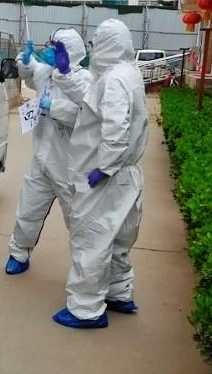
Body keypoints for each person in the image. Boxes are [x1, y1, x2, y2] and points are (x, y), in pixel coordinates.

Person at [51, 19, 148, 328]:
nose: (92, 49)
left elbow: (116, 127)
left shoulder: (114, 79)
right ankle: (119, 293)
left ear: (107, 44)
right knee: (118, 240)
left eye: (95, 43)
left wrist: (104, 167)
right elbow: (92, 99)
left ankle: (85, 308)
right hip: (126, 175)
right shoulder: (127, 73)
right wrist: (66, 74)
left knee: (90, 241)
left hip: (105, 176)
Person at [5, 28, 91, 275]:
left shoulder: (84, 80)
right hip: (41, 159)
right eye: (50, 44)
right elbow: (30, 73)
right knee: (28, 210)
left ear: (70, 52)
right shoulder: (46, 72)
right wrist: (24, 59)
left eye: (57, 47)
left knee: (77, 218)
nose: (50, 50)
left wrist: (53, 106)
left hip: (69, 165)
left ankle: (86, 269)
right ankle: (19, 253)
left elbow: (86, 115)